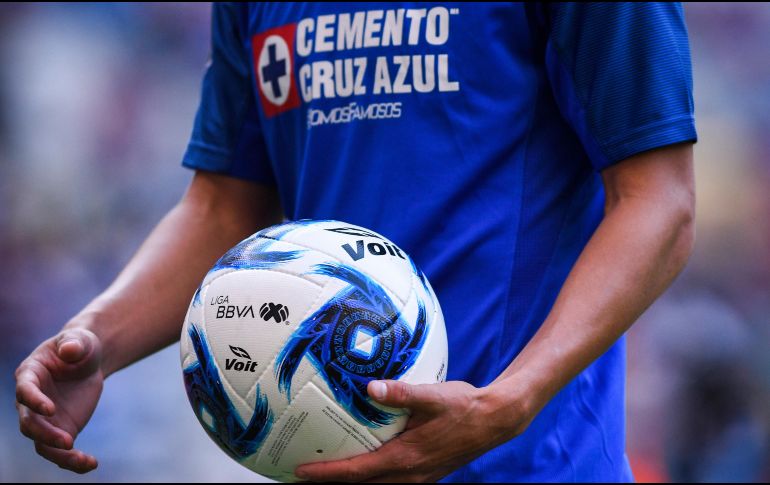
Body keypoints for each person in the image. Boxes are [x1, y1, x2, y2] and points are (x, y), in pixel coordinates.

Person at [14, 3, 696, 482]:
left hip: (532, 465)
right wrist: (98, 338)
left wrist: (511, 398)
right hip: (326, 457)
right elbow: (225, 203)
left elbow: (659, 201)